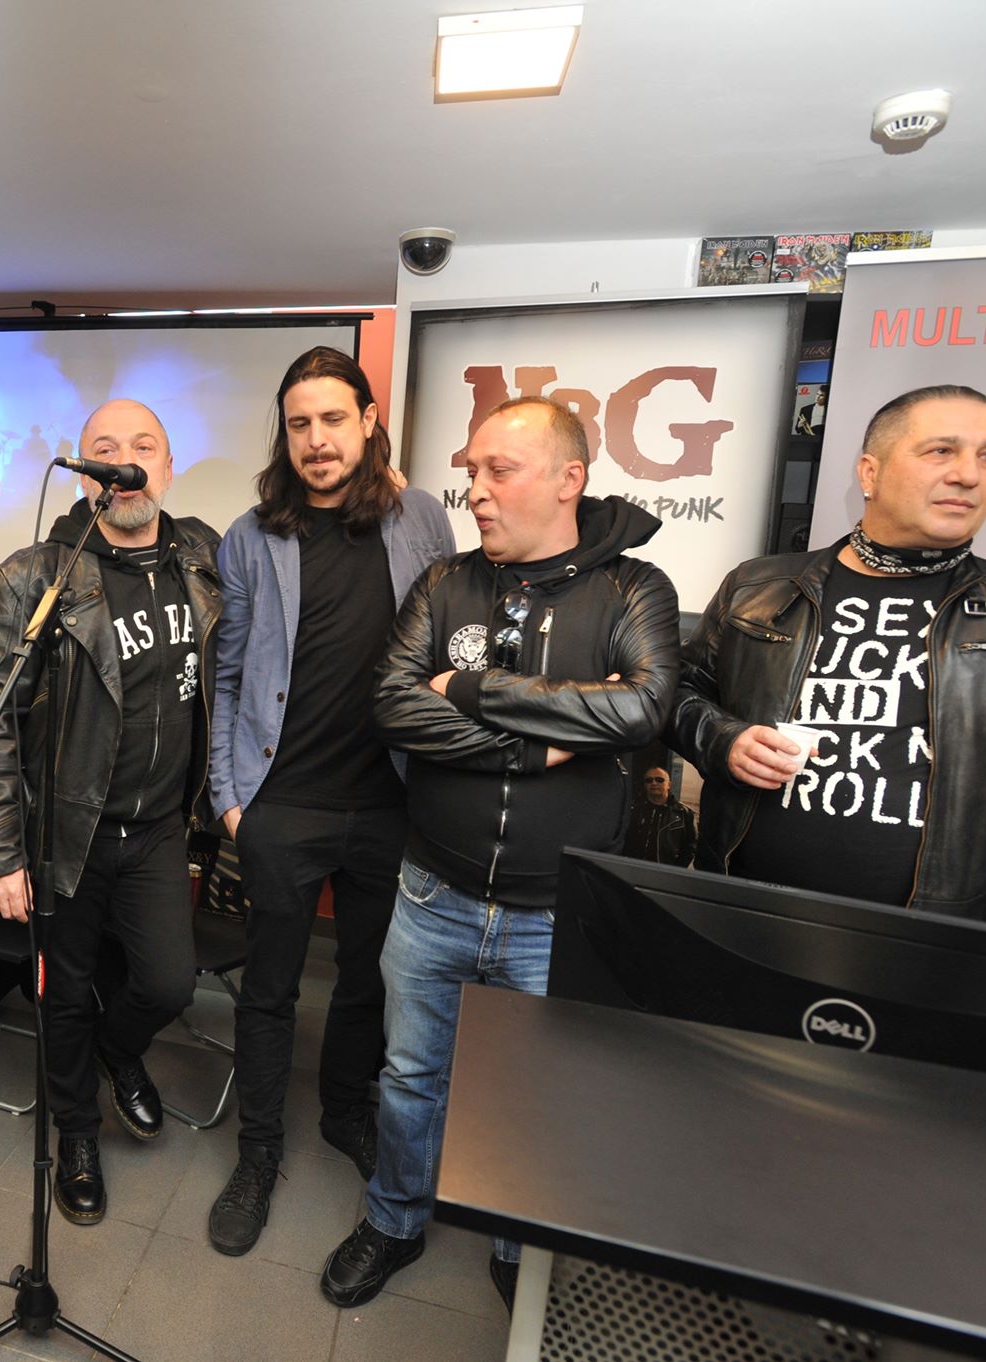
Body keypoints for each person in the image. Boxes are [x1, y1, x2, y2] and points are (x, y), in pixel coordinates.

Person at [319, 397, 680, 1309]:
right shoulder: (445, 583)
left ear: (568, 479)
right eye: (471, 472)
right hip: (432, 894)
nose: (474, 491)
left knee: (533, 1093)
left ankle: (521, 1248)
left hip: (555, 912)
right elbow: (392, 703)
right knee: (410, 1077)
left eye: (498, 472)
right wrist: (536, 742)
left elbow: (642, 708)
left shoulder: (635, 590)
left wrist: (471, 688)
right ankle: (395, 1218)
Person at [671, 384, 986, 930]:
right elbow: (679, 693)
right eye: (941, 451)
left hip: (923, 948)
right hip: (733, 917)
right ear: (870, 473)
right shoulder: (758, 587)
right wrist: (724, 740)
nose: (968, 475)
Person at [203, 346, 456, 1256]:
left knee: (367, 979)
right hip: (283, 801)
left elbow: (448, 645)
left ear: (369, 419)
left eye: (333, 419)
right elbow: (229, 673)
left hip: (391, 801)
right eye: (299, 423)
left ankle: (345, 1109)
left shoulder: (422, 518)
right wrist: (229, 797)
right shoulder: (251, 535)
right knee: (269, 988)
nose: (316, 440)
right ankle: (257, 1153)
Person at [0, 399, 219, 1226]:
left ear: (168, 465)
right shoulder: (32, 578)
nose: (126, 462)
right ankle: (76, 1131)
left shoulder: (205, 560)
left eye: (144, 446)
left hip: (158, 829)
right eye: (105, 449)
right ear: (84, 473)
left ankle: (118, 1051)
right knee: (64, 995)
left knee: (169, 982)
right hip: (64, 833)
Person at [623, 766, 697, 866]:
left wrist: (676, 869)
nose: (654, 783)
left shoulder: (684, 813)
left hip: (665, 870)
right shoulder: (632, 809)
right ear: (644, 785)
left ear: (669, 785)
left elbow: (691, 846)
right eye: (649, 780)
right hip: (632, 868)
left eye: (659, 780)